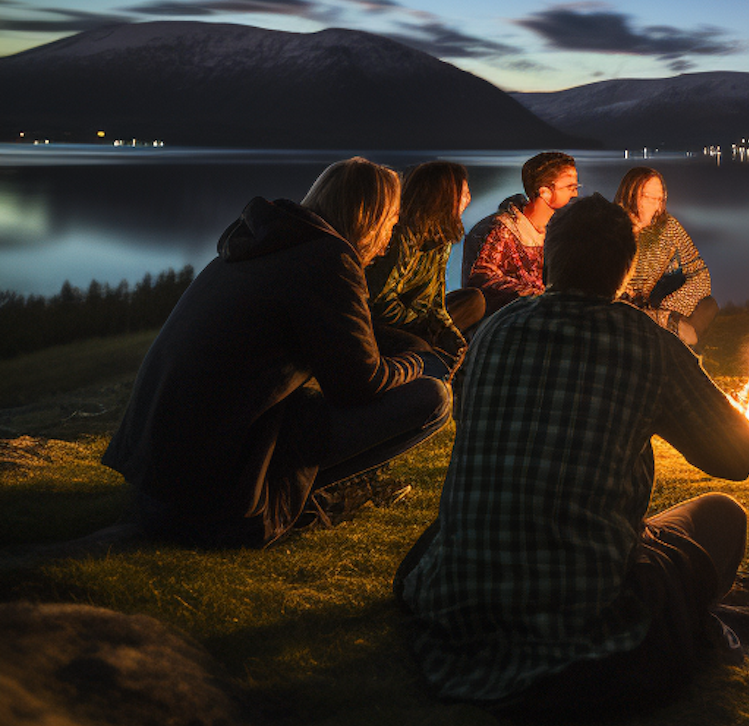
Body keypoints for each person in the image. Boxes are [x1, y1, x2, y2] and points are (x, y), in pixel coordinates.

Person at [398, 194, 749, 717]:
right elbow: (739, 455)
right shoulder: (647, 344)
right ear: (624, 272)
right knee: (723, 516)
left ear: (549, 260)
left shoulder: (493, 333)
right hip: (582, 603)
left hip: (464, 598)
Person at [102, 158, 451, 548]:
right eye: (390, 222)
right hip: (216, 478)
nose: (389, 239)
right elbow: (359, 385)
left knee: (311, 400)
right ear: (368, 217)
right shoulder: (328, 259)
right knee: (433, 396)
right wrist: (422, 362)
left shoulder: (263, 243)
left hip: (163, 463)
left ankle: (289, 492)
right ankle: (294, 502)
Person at [365, 160, 486, 371]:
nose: (468, 200)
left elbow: (435, 297)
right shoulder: (402, 237)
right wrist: (420, 325)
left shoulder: (440, 239)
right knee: (420, 347)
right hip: (383, 324)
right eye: (463, 194)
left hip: (414, 318)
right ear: (443, 197)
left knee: (473, 301)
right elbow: (380, 302)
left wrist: (448, 332)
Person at [464, 151, 578, 316]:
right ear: (545, 192)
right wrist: (537, 296)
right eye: (570, 187)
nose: (575, 194)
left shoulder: (559, 229)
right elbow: (482, 277)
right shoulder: (501, 229)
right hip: (507, 320)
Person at [614, 167, 718, 346]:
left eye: (660, 199)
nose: (656, 206)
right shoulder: (610, 227)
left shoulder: (668, 228)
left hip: (656, 304)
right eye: (649, 198)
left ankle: (674, 335)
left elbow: (700, 275)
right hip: (620, 308)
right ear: (630, 194)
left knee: (708, 306)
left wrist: (670, 308)